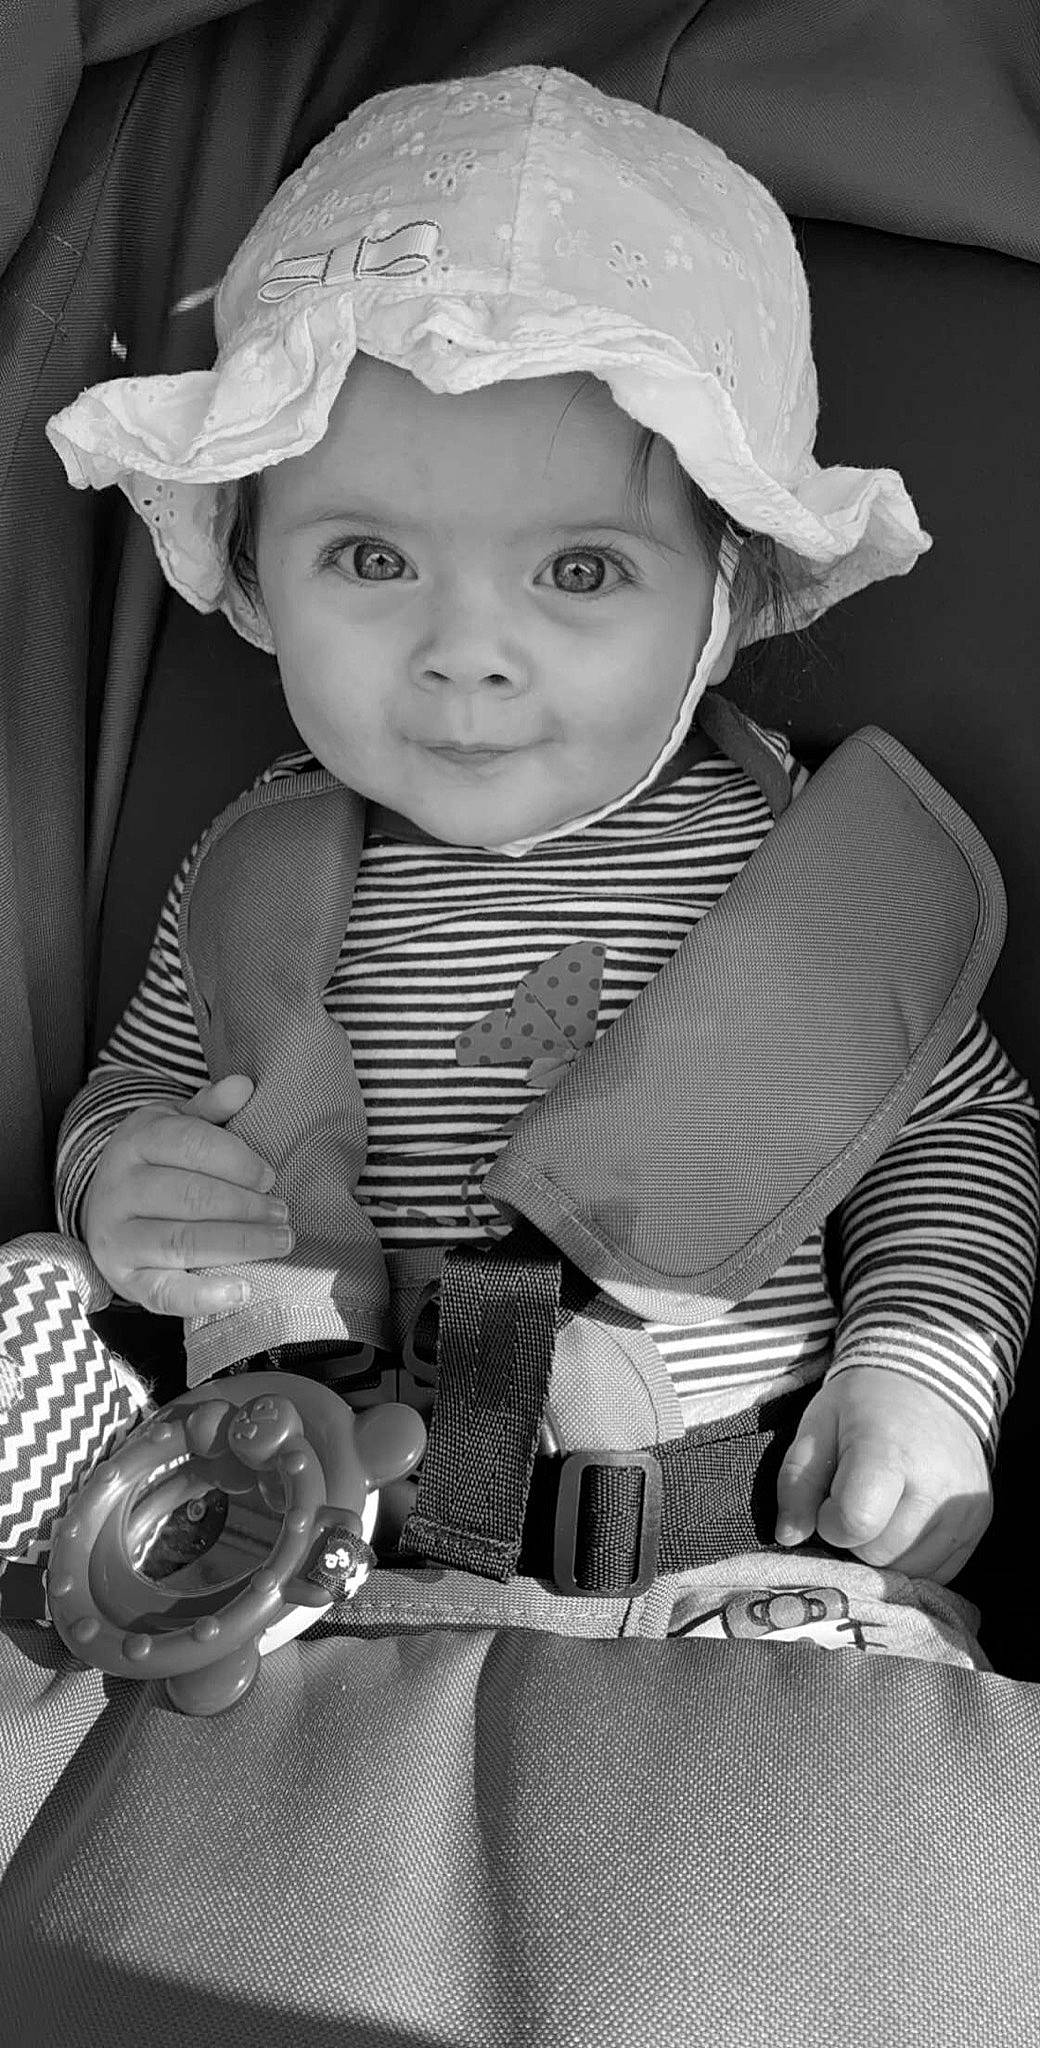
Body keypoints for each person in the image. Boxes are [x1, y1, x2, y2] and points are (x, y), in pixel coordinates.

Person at [2, 67, 1036, 1664]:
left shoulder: (800, 874)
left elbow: (955, 1134)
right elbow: (139, 1094)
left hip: (726, 1564)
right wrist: (123, 1186)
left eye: (577, 571)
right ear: (253, 571)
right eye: (369, 559)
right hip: (294, 1572)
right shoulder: (257, 871)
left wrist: (916, 1370)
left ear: (727, 588)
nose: (464, 654)